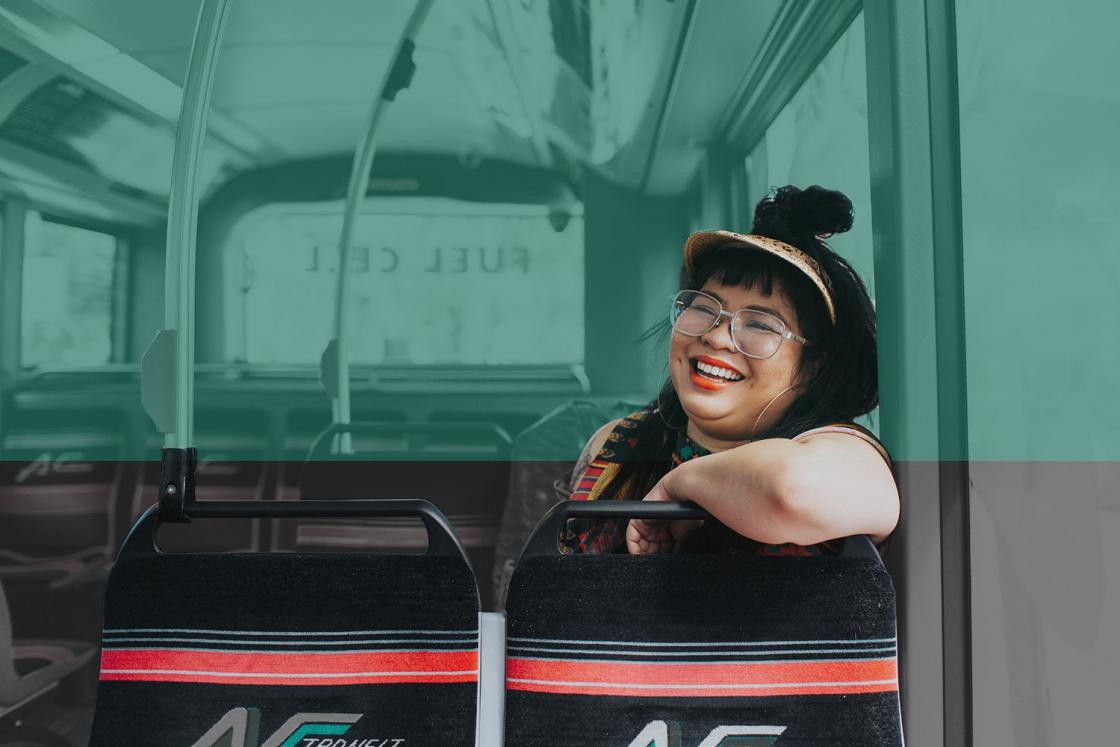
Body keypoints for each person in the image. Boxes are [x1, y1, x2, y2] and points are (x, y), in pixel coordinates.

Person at [561, 185, 899, 556]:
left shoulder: (840, 450)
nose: (718, 338)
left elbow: (792, 490)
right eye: (705, 308)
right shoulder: (617, 444)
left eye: (759, 326)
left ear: (813, 366)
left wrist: (678, 485)